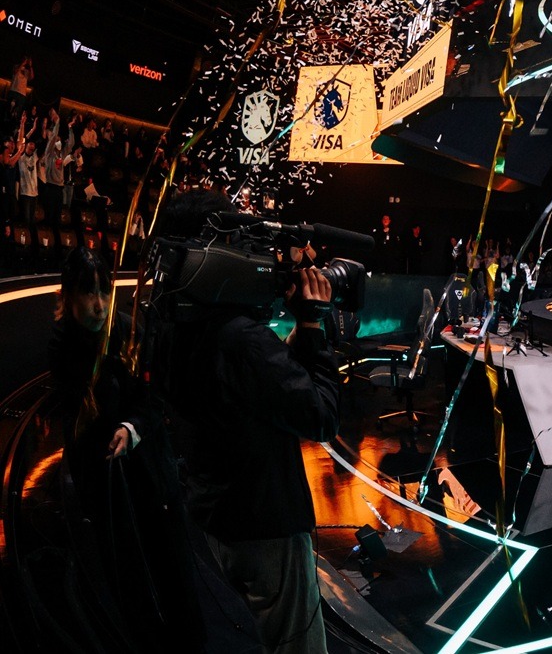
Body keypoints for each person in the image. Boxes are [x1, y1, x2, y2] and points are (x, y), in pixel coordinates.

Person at [155, 188, 340, 654]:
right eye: (236, 243)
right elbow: (320, 417)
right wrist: (313, 326)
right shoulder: (241, 340)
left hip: (217, 520)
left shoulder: (174, 324)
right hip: (267, 529)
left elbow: (260, 392)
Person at [47, 247, 202, 651]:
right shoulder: (63, 345)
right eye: (89, 293)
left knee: (173, 568)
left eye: (104, 291)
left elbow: (154, 398)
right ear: (68, 296)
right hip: (106, 486)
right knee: (127, 579)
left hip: (149, 474)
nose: (100, 305)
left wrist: (130, 429)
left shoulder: (129, 331)